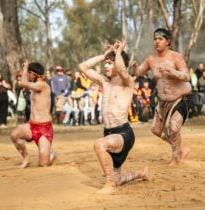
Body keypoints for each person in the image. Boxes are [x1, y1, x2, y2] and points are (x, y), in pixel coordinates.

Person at [79, 38, 149, 194]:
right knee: (118, 177)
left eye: (110, 63)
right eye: (106, 63)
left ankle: (110, 185)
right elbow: (83, 67)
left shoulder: (128, 82)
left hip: (123, 133)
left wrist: (117, 53)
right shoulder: (104, 81)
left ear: (119, 64)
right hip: (109, 132)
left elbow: (121, 69)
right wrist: (104, 55)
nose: (106, 65)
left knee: (99, 145)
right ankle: (140, 174)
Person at [132, 28, 191, 166]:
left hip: (180, 98)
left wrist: (173, 72)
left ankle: (175, 158)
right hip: (163, 101)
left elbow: (186, 76)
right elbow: (139, 72)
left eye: (160, 39)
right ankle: (182, 149)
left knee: (174, 127)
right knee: (156, 130)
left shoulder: (176, 57)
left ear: (168, 41)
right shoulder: (151, 59)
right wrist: (134, 68)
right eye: (155, 39)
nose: (156, 41)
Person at [10, 61, 56, 168]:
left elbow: (23, 83)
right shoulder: (34, 86)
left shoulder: (42, 85)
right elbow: (23, 83)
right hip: (31, 126)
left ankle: (51, 154)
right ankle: (26, 158)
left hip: (44, 129)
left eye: (28, 73)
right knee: (14, 135)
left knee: (43, 164)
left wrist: (25, 67)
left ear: (33, 74)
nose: (27, 76)